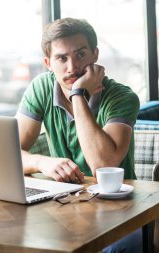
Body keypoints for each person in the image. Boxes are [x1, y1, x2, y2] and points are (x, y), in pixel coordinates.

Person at [16, 18, 142, 252]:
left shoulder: (122, 97)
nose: (72, 67)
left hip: (117, 210)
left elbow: (102, 165)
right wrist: (41, 162)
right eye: (61, 58)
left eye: (81, 54)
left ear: (95, 54)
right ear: (48, 63)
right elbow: (8, 151)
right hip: (63, 204)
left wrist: (78, 95)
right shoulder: (40, 88)